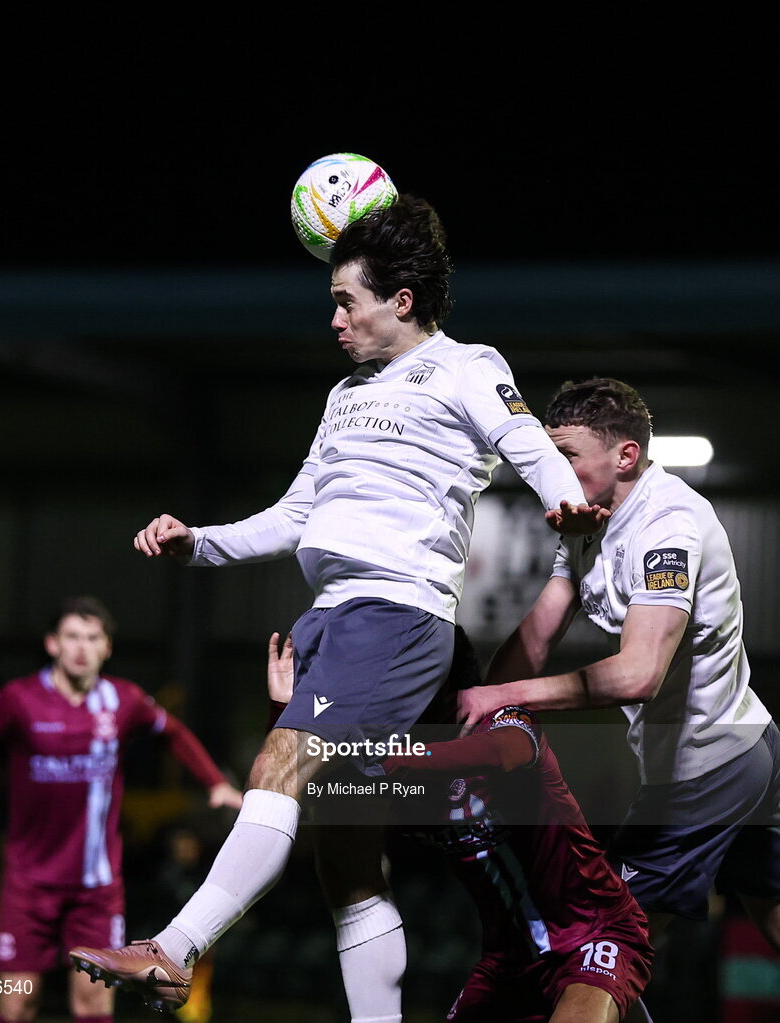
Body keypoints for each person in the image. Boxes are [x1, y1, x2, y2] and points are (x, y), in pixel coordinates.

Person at [69, 196, 607, 1020]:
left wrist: (566, 503)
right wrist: (198, 542)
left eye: (345, 301)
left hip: (393, 616)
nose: (333, 319)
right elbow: (294, 515)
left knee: (277, 766)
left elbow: (527, 444)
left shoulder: (466, 365)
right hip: (340, 620)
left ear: (399, 301)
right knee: (345, 849)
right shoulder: (344, 395)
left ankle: (172, 952)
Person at [456, 378, 780, 957]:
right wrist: (482, 707)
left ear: (625, 455)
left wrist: (507, 700)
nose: (551, 475)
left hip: (710, 764)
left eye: (566, 458)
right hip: (746, 743)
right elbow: (538, 632)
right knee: (771, 908)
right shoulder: (588, 520)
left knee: (603, 944)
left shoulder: (668, 525)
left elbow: (637, 674)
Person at [269, 625, 655, 1022]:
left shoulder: (503, 722)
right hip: (507, 963)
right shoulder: (391, 768)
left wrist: (382, 758)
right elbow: (320, 798)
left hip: (595, 935)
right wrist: (286, 713)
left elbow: (504, 753)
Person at [0, 596, 243, 1023]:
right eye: (72, 637)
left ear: (107, 648)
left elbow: (173, 733)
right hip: (27, 886)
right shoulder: (18, 699)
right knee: (15, 1004)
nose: (82, 647)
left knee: (93, 1005)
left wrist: (215, 782)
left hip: (96, 891)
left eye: (92, 638)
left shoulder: (124, 700)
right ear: (52, 644)